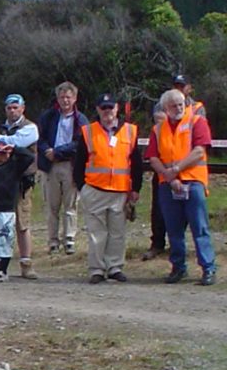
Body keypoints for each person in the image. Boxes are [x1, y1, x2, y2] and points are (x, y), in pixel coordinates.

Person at [144, 88, 216, 286]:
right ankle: (178, 268)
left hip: (193, 183)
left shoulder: (197, 122)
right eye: (173, 105)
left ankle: (208, 268)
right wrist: (168, 177)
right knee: (173, 229)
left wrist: (176, 169)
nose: (178, 108)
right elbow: (153, 157)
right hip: (168, 186)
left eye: (180, 105)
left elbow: (199, 151)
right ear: (165, 108)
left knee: (199, 227)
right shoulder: (158, 130)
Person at [73, 93, 143, 284]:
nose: (107, 112)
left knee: (117, 232)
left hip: (120, 191)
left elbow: (136, 163)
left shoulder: (130, 131)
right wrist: (83, 188)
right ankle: (96, 269)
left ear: (117, 109)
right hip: (95, 189)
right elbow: (79, 163)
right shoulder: (88, 132)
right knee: (96, 233)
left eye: (110, 107)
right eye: (103, 108)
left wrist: (136, 188)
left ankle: (114, 267)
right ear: (97, 110)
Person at [0, 97, 37, 283]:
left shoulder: (30, 127)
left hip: (22, 182)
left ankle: (26, 263)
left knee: (22, 223)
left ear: (23, 108)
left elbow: (22, 143)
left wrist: (3, 141)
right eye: (9, 108)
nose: (12, 111)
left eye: (16, 107)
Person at [37, 81, 89, 255]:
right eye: (62, 97)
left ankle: (69, 239)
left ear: (74, 99)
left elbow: (81, 143)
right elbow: (40, 137)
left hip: (70, 165)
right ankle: (52, 241)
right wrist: (47, 151)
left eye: (68, 97)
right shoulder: (48, 116)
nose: (65, 100)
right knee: (52, 205)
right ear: (57, 99)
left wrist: (58, 152)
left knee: (70, 204)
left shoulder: (80, 119)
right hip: (50, 165)